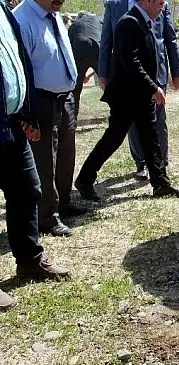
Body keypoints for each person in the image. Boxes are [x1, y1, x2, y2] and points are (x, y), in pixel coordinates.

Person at [75, 0, 179, 202]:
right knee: (113, 138)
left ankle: (160, 182)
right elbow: (131, 62)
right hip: (126, 95)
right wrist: (153, 87)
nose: (163, 7)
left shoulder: (143, 21)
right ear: (147, 1)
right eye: (160, 3)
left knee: (150, 137)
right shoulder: (129, 23)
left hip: (141, 95)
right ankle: (84, 179)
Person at [1, 0, 71, 311]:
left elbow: (17, 61)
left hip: (12, 122)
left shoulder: (3, 10)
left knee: (28, 188)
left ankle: (29, 260)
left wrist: (26, 111)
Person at [13, 0, 85, 237]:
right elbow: (22, 70)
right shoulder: (22, 20)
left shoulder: (54, 15)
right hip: (41, 101)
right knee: (45, 160)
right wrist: (28, 114)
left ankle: (63, 201)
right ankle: (47, 217)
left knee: (66, 153)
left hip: (65, 98)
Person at [99, 0, 179, 180]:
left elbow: (170, 39)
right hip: (129, 78)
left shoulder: (161, 5)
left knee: (157, 120)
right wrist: (103, 74)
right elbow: (106, 40)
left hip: (156, 73)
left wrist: (176, 72)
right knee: (131, 126)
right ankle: (141, 164)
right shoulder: (114, 5)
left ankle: (160, 165)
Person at [68, 11, 102, 118]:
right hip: (98, 47)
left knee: (75, 90)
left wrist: (79, 74)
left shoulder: (74, 25)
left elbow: (69, 49)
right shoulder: (98, 20)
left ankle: (72, 119)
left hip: (79, 50)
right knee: (110, 84)